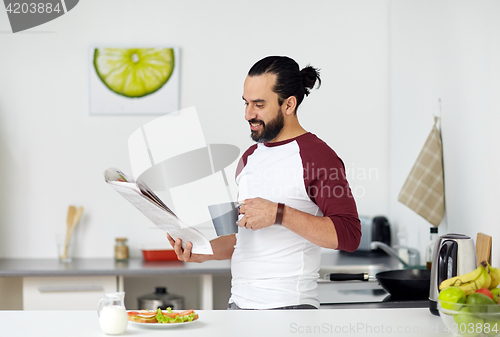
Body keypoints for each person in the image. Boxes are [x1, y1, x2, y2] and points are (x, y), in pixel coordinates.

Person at [167, 56, 361, 310]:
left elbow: (349, 235)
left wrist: (279, 213)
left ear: (289, 104)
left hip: (290, 308)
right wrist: (203, 252)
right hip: (238, 305)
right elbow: (243, 238)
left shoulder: (317, 156)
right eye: (246, 103)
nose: (248, 114)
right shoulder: (250, 157)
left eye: (258, 104)